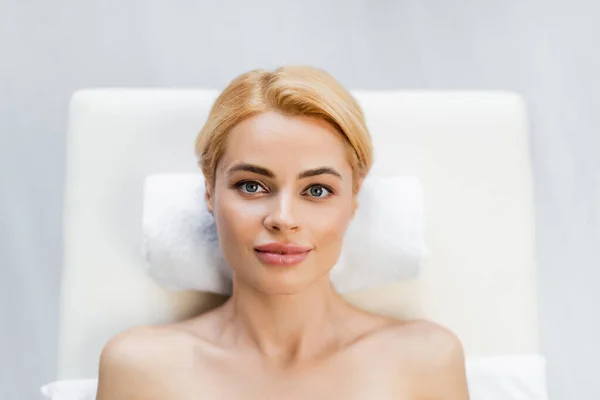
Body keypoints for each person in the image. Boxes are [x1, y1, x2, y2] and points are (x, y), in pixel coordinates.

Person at [96, 66, 470, 399]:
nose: (283, 218)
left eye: (317, 190)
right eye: (252, 186)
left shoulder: (425, 360)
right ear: (209, 192)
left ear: (354, 199)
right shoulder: (141, 369)